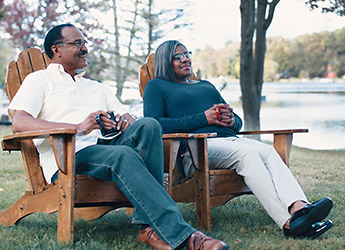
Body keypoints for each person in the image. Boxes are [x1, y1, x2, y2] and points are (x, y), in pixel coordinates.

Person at [8, 24, 230, 250]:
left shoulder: (95, 87)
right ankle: (184, 237)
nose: (85, 48)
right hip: (69, 156)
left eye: (85, 43)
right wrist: (77, 127)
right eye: (78, 43)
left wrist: (122, 123)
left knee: (149, 125)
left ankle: (148, 227)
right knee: (123, 155)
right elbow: (20, 122)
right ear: (56, 49)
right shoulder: (39, 81)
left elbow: (130, 120)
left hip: (107, 146)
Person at [143, 40, 334, 239]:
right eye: (178, 57)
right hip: (197, 150)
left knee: (268, 151)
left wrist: (231, 120)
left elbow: (237, 121)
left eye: (187, 54)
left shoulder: (206, 85)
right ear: (166, 61)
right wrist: (203, 118)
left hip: (230, 141)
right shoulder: (157, 86)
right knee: (248, 154)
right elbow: (154, 124)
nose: (185, 59)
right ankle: (287, 223)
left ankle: (300, 208)